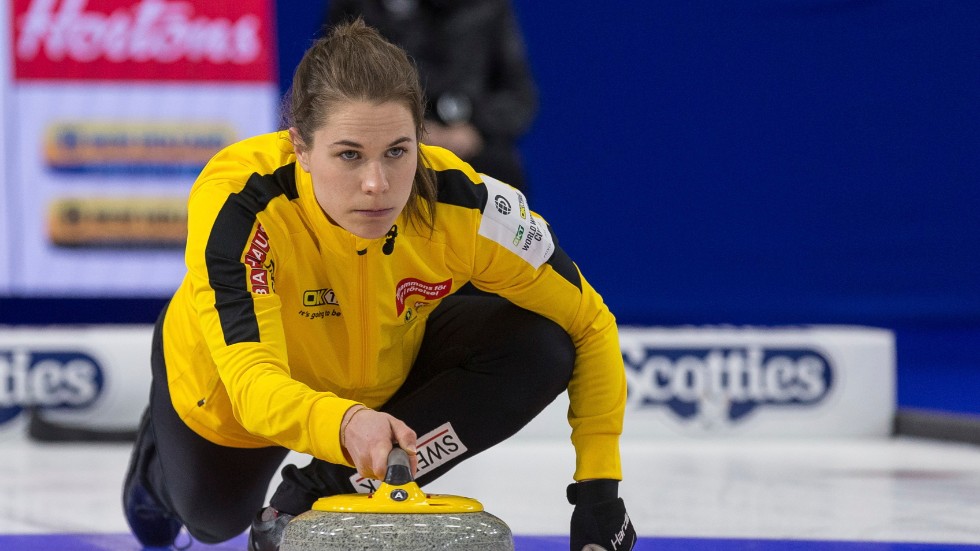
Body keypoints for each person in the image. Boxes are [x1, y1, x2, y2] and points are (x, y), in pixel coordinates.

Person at [121, 19, 635, 551]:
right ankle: (154, 476)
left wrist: (599, 492)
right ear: (299, 146)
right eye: (349, 155)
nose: (378, 185)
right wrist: (344, 424)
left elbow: (589, 321)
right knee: (212, 522)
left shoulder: (465, 206)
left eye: (397, 151)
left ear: (420, 139)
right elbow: (252, 381)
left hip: (381, 369)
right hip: (236, 382)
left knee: (543, 346)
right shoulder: (239, 203)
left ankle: (313, 495)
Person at [325, 0, 538, 195]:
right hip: (390, 138)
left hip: (473, 142)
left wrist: (475, 129)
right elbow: (334, 86)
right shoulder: (361, 6)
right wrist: (409, 129)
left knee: (502, 174)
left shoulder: (490, 8)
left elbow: (520, 96)